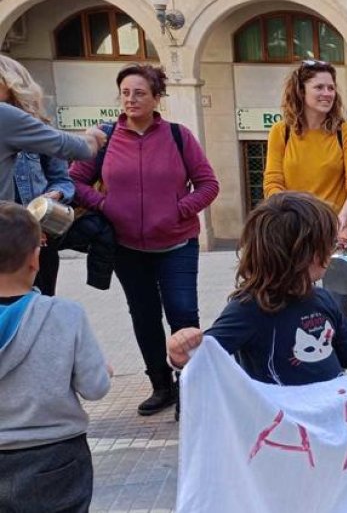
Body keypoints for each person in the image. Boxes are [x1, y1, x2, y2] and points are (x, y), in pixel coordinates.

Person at [69, 64, 219, 417]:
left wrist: (179, 210)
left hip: (177, 244)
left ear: (156, 98)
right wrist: (103, 204)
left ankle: (190, 385)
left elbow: (208, 184)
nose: (131, 99)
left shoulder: (179, 136)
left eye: (139, 93)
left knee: (183, 315)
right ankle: (160, 385)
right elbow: (74, 181)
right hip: (126, 248)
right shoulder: (104, 138)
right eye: (125, 92)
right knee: (144, 316)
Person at [167, 192, 347, 384]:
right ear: (300, 253)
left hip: (326, 422)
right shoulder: (248, 309)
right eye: (327, 242)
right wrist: (180, 355)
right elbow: (205, 358)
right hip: (283, 437)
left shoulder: (322, 298)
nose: (335, 247)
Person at [0, 202, 110, 513]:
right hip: (56, 458)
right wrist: (101, 368)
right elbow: (95, 387)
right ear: (35, 258)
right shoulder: (64, 315)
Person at [263, 59, 347, 324]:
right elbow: (273, 183)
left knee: (335, 308)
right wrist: (296, 216)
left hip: (338, 229)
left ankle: (337, 362)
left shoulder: (346, 133)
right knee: (292, 305)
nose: (327, 94)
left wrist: (342, 218)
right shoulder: (281, 132)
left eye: (331, 88)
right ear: (300, 91)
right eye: (319, 87)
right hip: (295, 230)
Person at [0, 59, 76, 296]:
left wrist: (53, 199)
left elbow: (63, 181)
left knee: (37, 310)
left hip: (37, 239)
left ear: (13, 87)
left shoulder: (41, 131)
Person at [0, 54, 106, 203]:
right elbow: (77, 147)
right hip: (12, 223)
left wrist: (59, 193)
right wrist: (92, 138)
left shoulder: (38, 126)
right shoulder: (4, 115)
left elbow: (63, 180)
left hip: (33, 221)